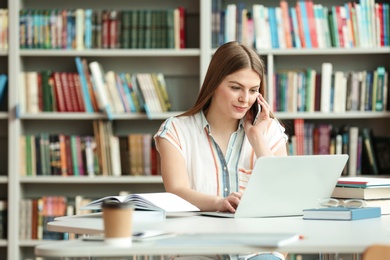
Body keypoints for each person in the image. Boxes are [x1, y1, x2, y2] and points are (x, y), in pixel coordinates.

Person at [154, 41, 288, 260]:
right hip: (197, 251)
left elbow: (285, 195)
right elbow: (176, 190)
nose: (245, 99)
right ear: (215, 83)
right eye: (236, 88)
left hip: (256, 251)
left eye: (253, 90)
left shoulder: (269, 132)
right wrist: (219, 203)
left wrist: (256, 138)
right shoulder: (176, 130)